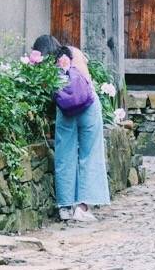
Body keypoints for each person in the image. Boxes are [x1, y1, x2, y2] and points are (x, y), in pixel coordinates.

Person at [31, 32, 111, 223]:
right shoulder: (73, 52)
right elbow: (86, 79)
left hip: (65, 111)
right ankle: (82, 208)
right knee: (89, 154)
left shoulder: (45, 66)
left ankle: (64, 207)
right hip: (88, 105)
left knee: (64, 155)